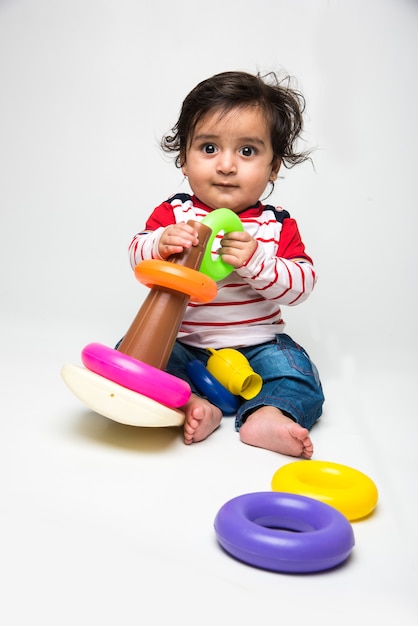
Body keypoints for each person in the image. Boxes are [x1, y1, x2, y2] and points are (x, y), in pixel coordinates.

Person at [128, 70, 325, 458]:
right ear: (184, 159)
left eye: (247, 151)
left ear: (273, 167)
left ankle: (266, 414)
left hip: (258, 346)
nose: (227, 165)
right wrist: (160, 243)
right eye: (209, 148)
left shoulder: (275, 223)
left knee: (298, 373)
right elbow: (136, 253)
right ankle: (193, 405)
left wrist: (256, 261)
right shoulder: (176, 212)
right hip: (183, 343)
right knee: (136, 356)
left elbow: (303, 283)